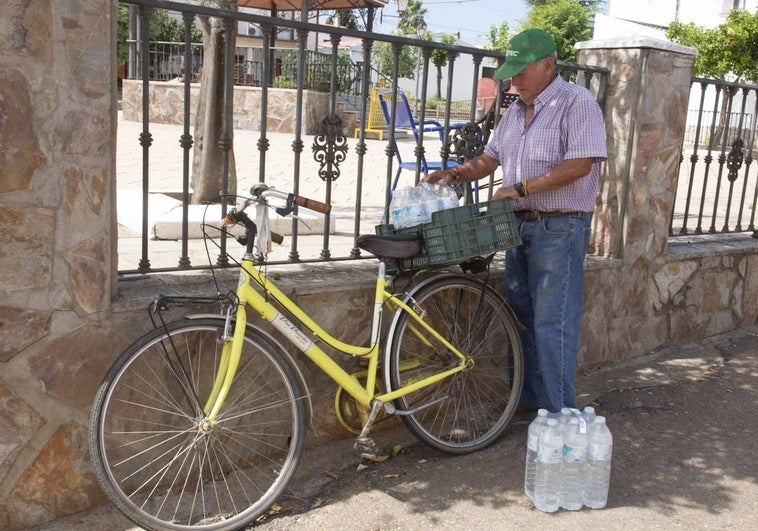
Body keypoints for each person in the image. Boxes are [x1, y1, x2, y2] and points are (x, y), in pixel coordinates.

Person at [423, 28, 607, 413]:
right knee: (520, 318)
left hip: (559, 227)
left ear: (548, 65)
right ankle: (528, 407)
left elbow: (580, 164)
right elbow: (489, 160)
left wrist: (521, 188)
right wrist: (454, 174)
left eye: (522, 72)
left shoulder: (576, 102)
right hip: (517, 227)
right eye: (512, 72)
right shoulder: (514, 112)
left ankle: (560, 416)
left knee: (552, 325)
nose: (514, 80)